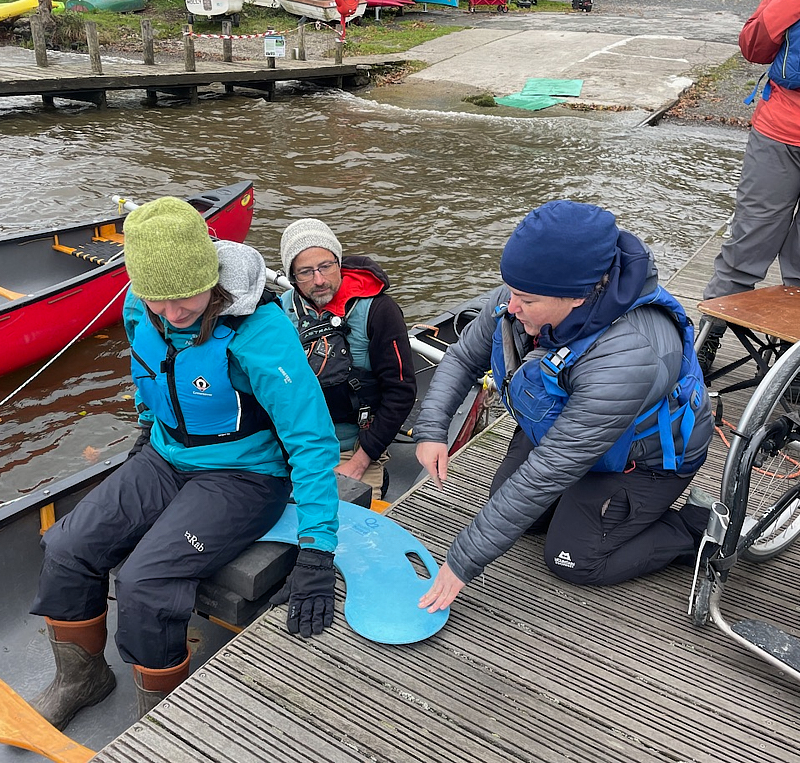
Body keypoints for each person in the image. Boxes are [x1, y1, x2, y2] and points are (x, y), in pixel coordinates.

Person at [29, 197, 340, 730]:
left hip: (245, 475)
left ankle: (160, 717)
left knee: (146, 584)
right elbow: (146, 371)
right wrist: (148, 428)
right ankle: (82, 678)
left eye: (185, 298)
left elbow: (312, 440)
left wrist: (317, 553)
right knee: (65, 546)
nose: (171, 314)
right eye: (157, 300)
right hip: (167, 456)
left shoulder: (259, 332)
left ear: (211, 276)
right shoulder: (139, 305)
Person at [414, 200, 715, 613]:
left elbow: (552, 468)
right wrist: (433, 430)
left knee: (572, 559)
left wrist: (462, 560)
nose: (510, 306)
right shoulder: (523, 294)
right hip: (564, 432)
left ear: (576, 298)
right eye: (511, 292)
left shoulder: (628, 353)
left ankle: (696, 528)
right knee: (516, 514)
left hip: (644, 460)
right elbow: (465, 357)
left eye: (525, 300)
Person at [698, 0, 800, 374]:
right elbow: (753, 46)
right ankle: (708, 337)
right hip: (778, 131)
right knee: (747, 242)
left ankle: (789, 360)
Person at [279, 219, 417, 505]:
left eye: (326, 266)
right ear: (292, 277)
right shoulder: (279, 312)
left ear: (338, 262)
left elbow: (401, 392)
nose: (319, 280)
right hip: (293, 445)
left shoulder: (380, 311)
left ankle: (375, 474)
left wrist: (359, 462)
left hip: (353, 447)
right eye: (306, 272)